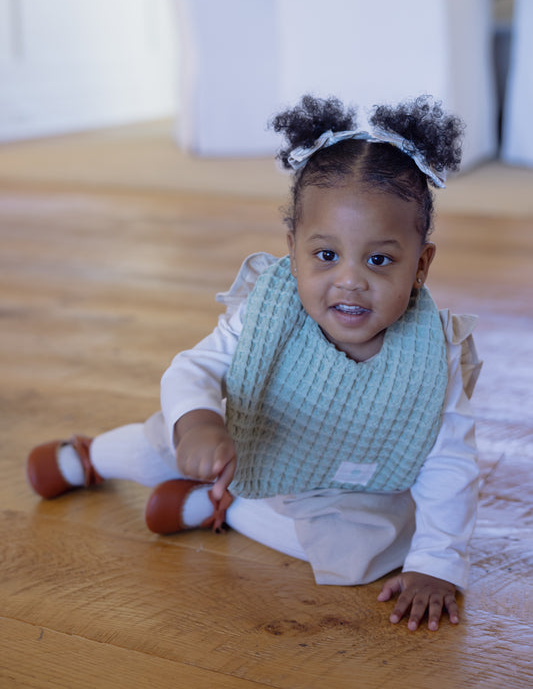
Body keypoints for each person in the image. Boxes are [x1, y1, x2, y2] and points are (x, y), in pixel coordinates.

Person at [27, 94, 481, 632]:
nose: (350, 280)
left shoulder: (433, 353)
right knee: (163, 443)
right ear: (293, 249)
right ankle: (92, 456)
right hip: (243, 442)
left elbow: (450, 463)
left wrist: (436, 564)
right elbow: (192, 369)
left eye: (379, 260)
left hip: (346, 483)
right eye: (326, 255)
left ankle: (224, 508)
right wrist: (198, 422)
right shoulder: (268, 312)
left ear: (421, 265)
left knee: (371, 553)